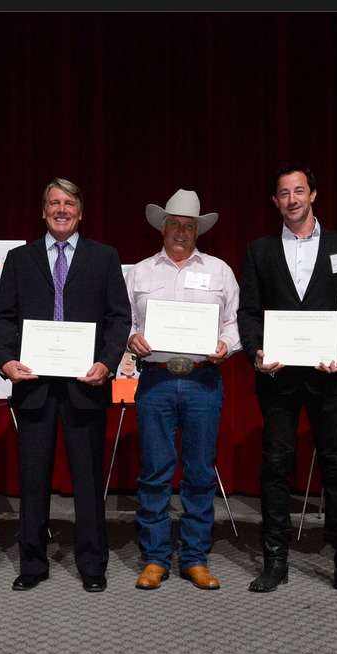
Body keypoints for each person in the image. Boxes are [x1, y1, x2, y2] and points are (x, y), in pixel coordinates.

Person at [236, 165, 337, 602]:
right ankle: (274, 562)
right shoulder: (259, 250)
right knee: (275, 466)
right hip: (277, 376)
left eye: (299, 191)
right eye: (284, 194)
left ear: (313, 195)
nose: (292, 199)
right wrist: (256, 351)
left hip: (326, 373)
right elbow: (248, 311)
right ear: (274, 202)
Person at [0, 177, 130, 592]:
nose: (61, 209)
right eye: (54, 202)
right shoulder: (19, 259)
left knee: (87, 479)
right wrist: (5, 361)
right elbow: (3, 319)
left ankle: (92, 562)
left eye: (69, 203)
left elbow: (119, 317)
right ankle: (32, 562)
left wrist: (106, 363)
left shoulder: (104, 258)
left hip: (86, 385)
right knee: (33, 479)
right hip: (32, 384)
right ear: (43, 210)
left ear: (81, 212)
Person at [123, 189, 240, 591]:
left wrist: (229, 345)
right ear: (162, 226)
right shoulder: (139, 272)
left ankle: (194, 557)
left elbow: (233, 323)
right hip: (155, 380)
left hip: (203, 380)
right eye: (175, 223)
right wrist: (131, 338)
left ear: (197, 231)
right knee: (154, 472)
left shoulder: (221, 270)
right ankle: (155, 557)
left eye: (189, 226)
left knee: (200, 473)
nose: (181, 231)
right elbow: (123, 321)